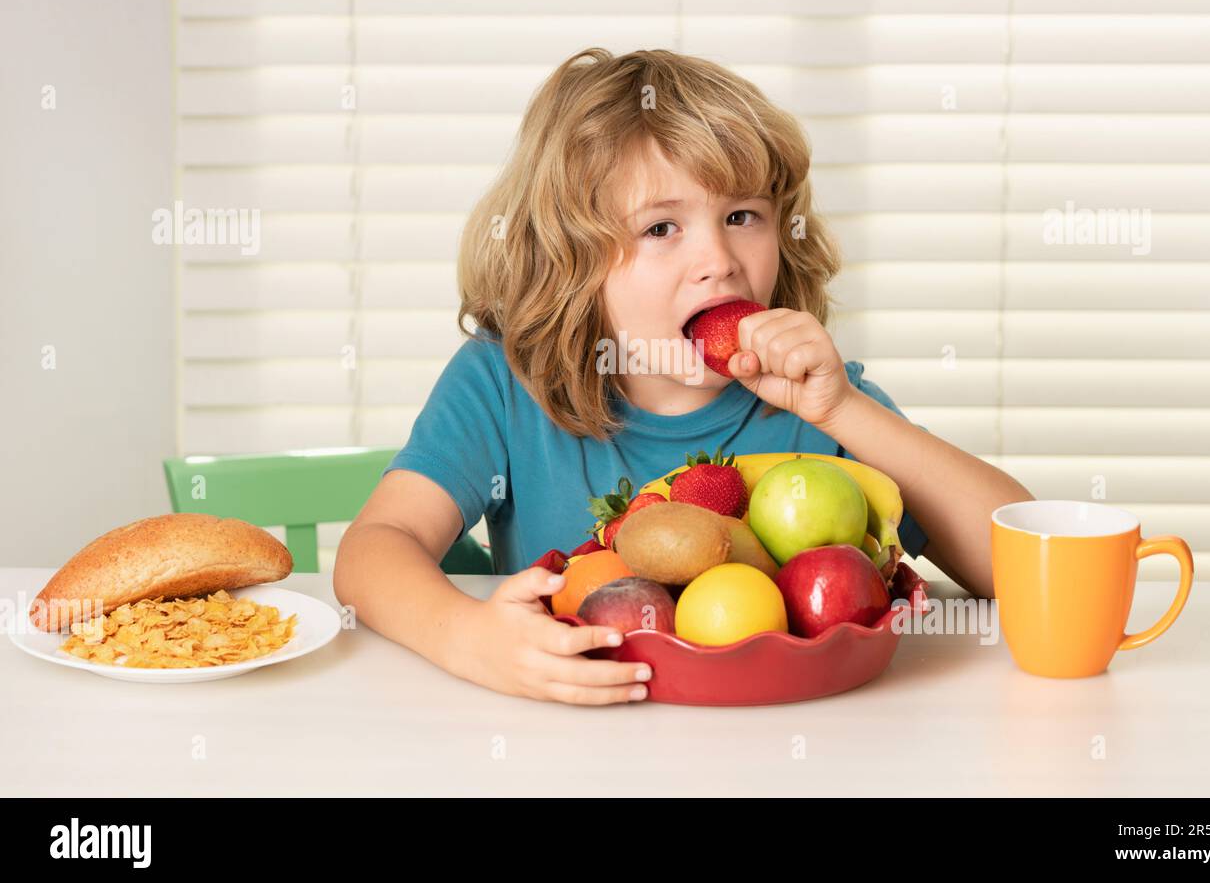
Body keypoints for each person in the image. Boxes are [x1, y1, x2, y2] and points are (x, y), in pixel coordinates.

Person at [333, 48, 1034, 706]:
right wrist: (471, 639)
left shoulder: (822, 406)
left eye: (741, 216)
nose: (719, 259)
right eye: (662, 228)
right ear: (572, 260)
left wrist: (846, 410)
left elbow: (1028, 569)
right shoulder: (505, 381)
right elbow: (370, 552)